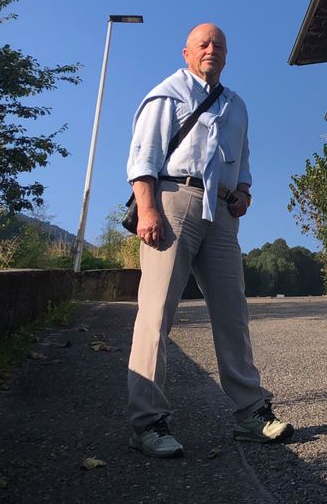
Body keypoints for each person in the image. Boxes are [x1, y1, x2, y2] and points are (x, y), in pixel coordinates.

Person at [125, 23, 293, 458]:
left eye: (218, 44)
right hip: (173, 199)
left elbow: (244, 159)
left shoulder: (236, 105)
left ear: (226, 54)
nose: (211, 49)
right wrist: (148, 210)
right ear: (186, 52)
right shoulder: (167, 94)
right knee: (157, 312)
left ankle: (251, 414)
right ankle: (147, 421)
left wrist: (244, 192)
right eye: (203, 44)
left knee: (233, 312)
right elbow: (143, 158)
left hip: (220, 209)